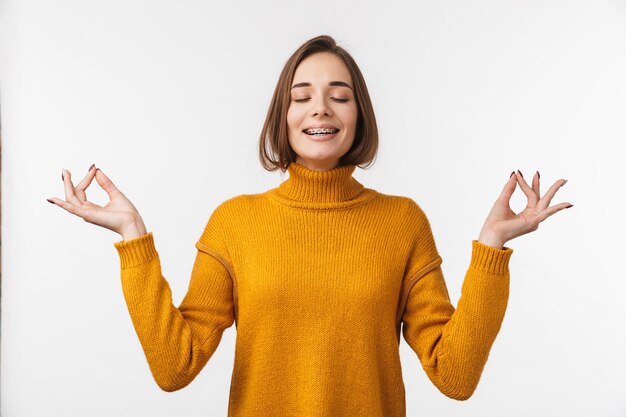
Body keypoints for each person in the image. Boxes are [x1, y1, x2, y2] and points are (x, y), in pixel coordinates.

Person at [47, 35, 572, 416]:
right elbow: (174, 367)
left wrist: (492, 246)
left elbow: (455, 376)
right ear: (283, 116)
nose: (320, 107)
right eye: (301, 96)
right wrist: (133, 237)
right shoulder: (235, 222)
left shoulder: (402, 222)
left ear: (358, 115)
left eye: (339, 95)